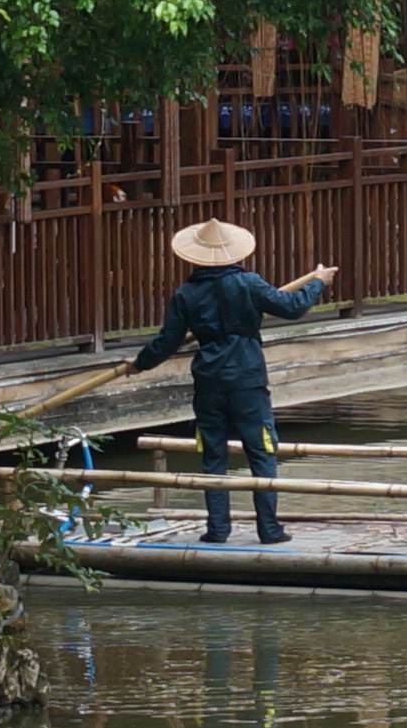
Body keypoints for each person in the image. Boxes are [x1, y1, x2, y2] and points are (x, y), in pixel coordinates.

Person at [137, 219, 334, 543]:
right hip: (247, 378)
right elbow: (292, 306)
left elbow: (166, 342)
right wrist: (318, 282)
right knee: (261, 451)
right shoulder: (249, 283)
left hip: (209, 380)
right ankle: (269, 529)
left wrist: (139, 364)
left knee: (213, 455)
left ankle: (217, 530)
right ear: (232, 253)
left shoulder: (186, 294)